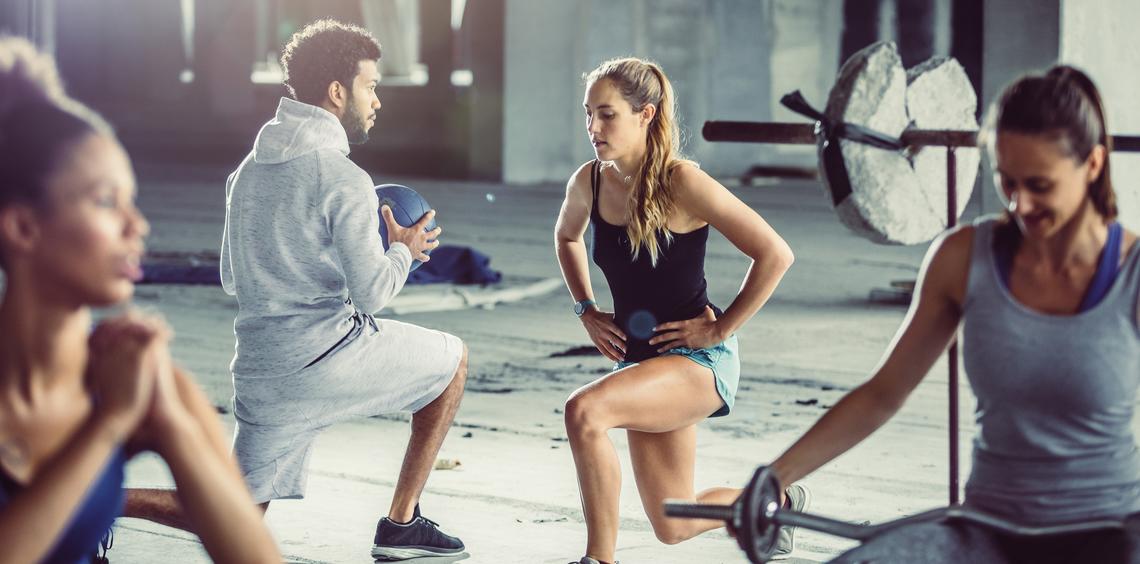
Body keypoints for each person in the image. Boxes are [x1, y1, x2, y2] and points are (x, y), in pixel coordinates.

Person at [759, 65, 1140, 564]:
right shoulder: (963, 257)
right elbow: (882, 394)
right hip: (987, 528)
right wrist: (775, 477)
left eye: (1040, 185)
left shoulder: (1131, 275)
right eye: (1006, 181)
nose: (1019, 204)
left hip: (1108, 533)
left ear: (1092, 165)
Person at [120, 19, 469, 561]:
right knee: (453, 361)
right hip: (329, 356)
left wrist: (297, 254)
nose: (377, 99)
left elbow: (230, 277)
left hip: (262, 370)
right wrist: (405, 249)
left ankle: (94, 505)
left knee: (229, 510)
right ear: (337, 92)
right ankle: (402, 522)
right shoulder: (342, 177)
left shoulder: (246, 171)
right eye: (370, 86)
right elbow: (374, 292)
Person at [0, 36, 279, 564]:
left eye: (133, 200)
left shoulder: (144, 382)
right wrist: (108, 429)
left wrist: (169, 425)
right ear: (22, 226)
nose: (137, 226)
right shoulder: (116, 405)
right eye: (106, 201)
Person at [553, 57, 799, 564]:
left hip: (697, 363)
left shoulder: (682, 182)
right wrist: (586, 309)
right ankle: (777, 504)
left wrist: (722, 328)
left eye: (607, 115)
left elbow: (775, 254)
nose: (593, 128)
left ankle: (599, 560)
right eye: (588, 114)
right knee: (674, 523)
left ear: (645, 114)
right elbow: (566, 237)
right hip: (642, 362)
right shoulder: (590, 182)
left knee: (585, 410)